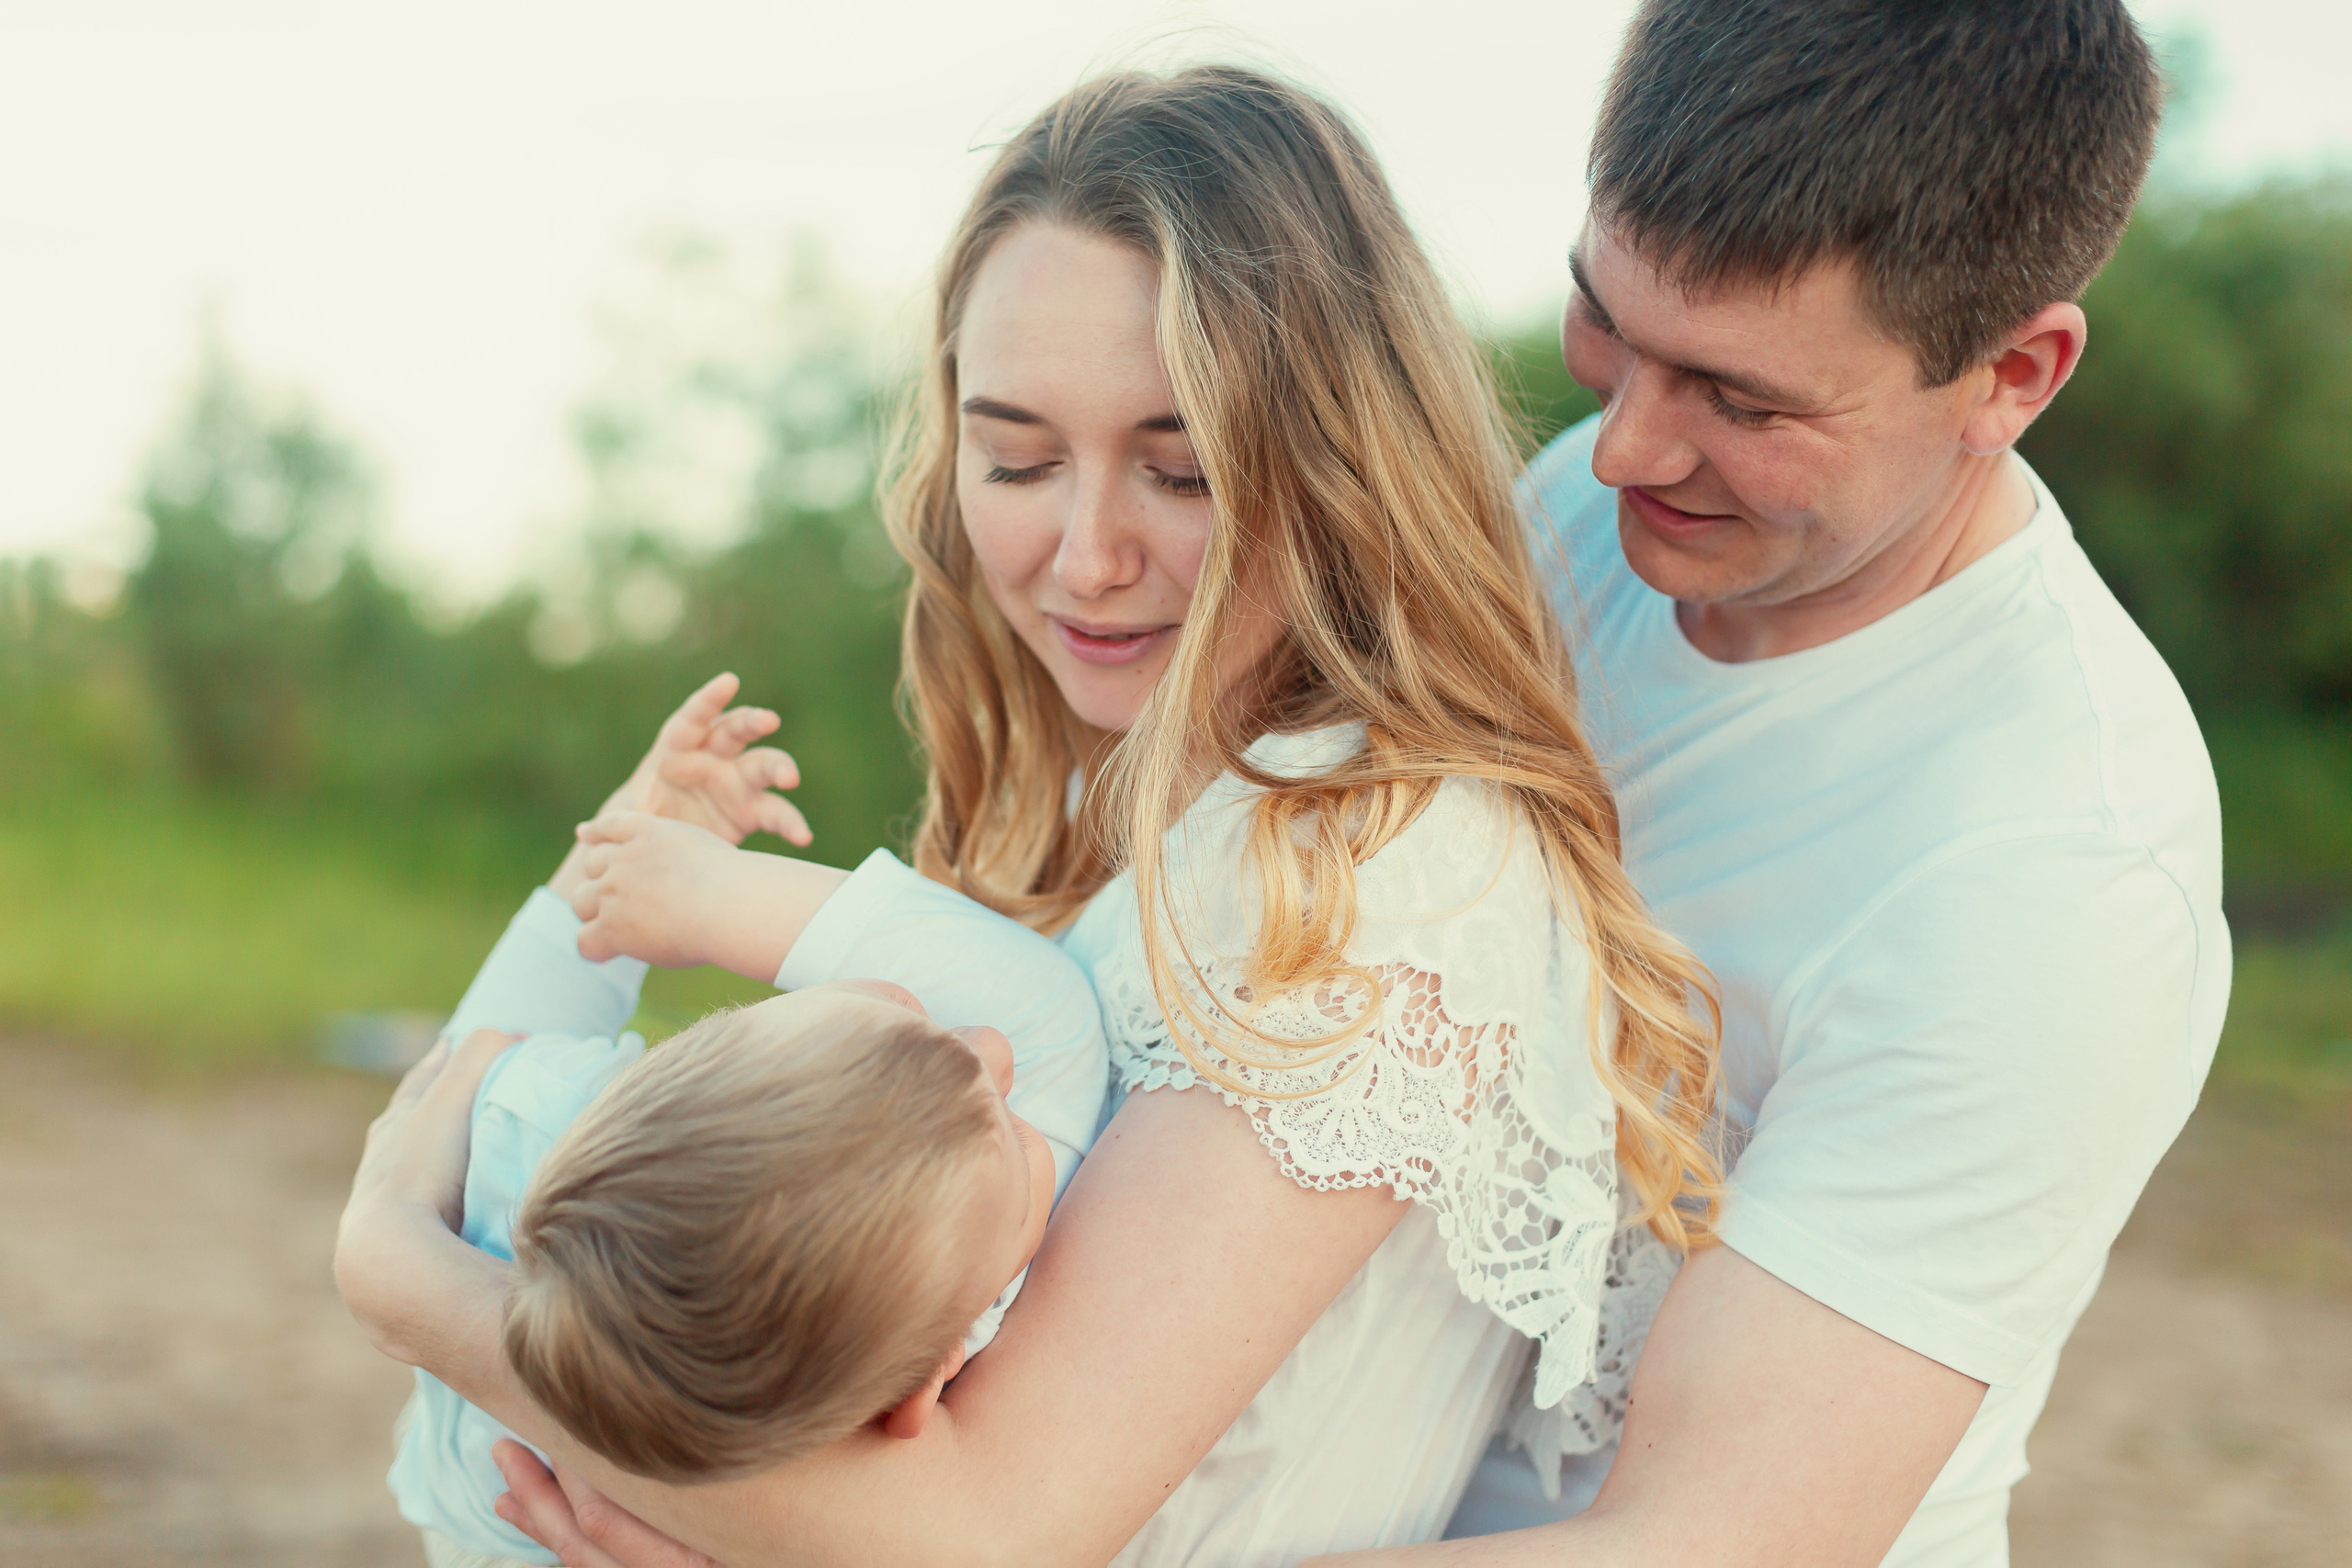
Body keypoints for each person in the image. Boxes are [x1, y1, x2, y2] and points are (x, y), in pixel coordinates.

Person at [335, 64, 1725, 1567]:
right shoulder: (1122, 799)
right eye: (1014, 458)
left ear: (1334, 463)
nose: (1085, 553)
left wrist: (414, 1284)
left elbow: (982, 1529)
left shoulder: (1385, 867)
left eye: (1180, 468)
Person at [1318, 3, 2222, 1565]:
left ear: (2014, 372)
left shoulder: (2053, 871)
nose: (1620, 451)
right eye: (1607, 323)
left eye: (1744, 404)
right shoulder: (1592, 519)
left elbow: (1718, 1538)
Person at [385, 676, 1109, 1568]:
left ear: (645, 1070)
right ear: (921, 1396)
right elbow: (1039, 1011)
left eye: (904, 1015)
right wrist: (710, 893)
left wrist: (642, 846)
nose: (995, 1051)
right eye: (1012, 1128)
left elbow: (472, 1057)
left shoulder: (537, 1132)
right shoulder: (934, 1315)